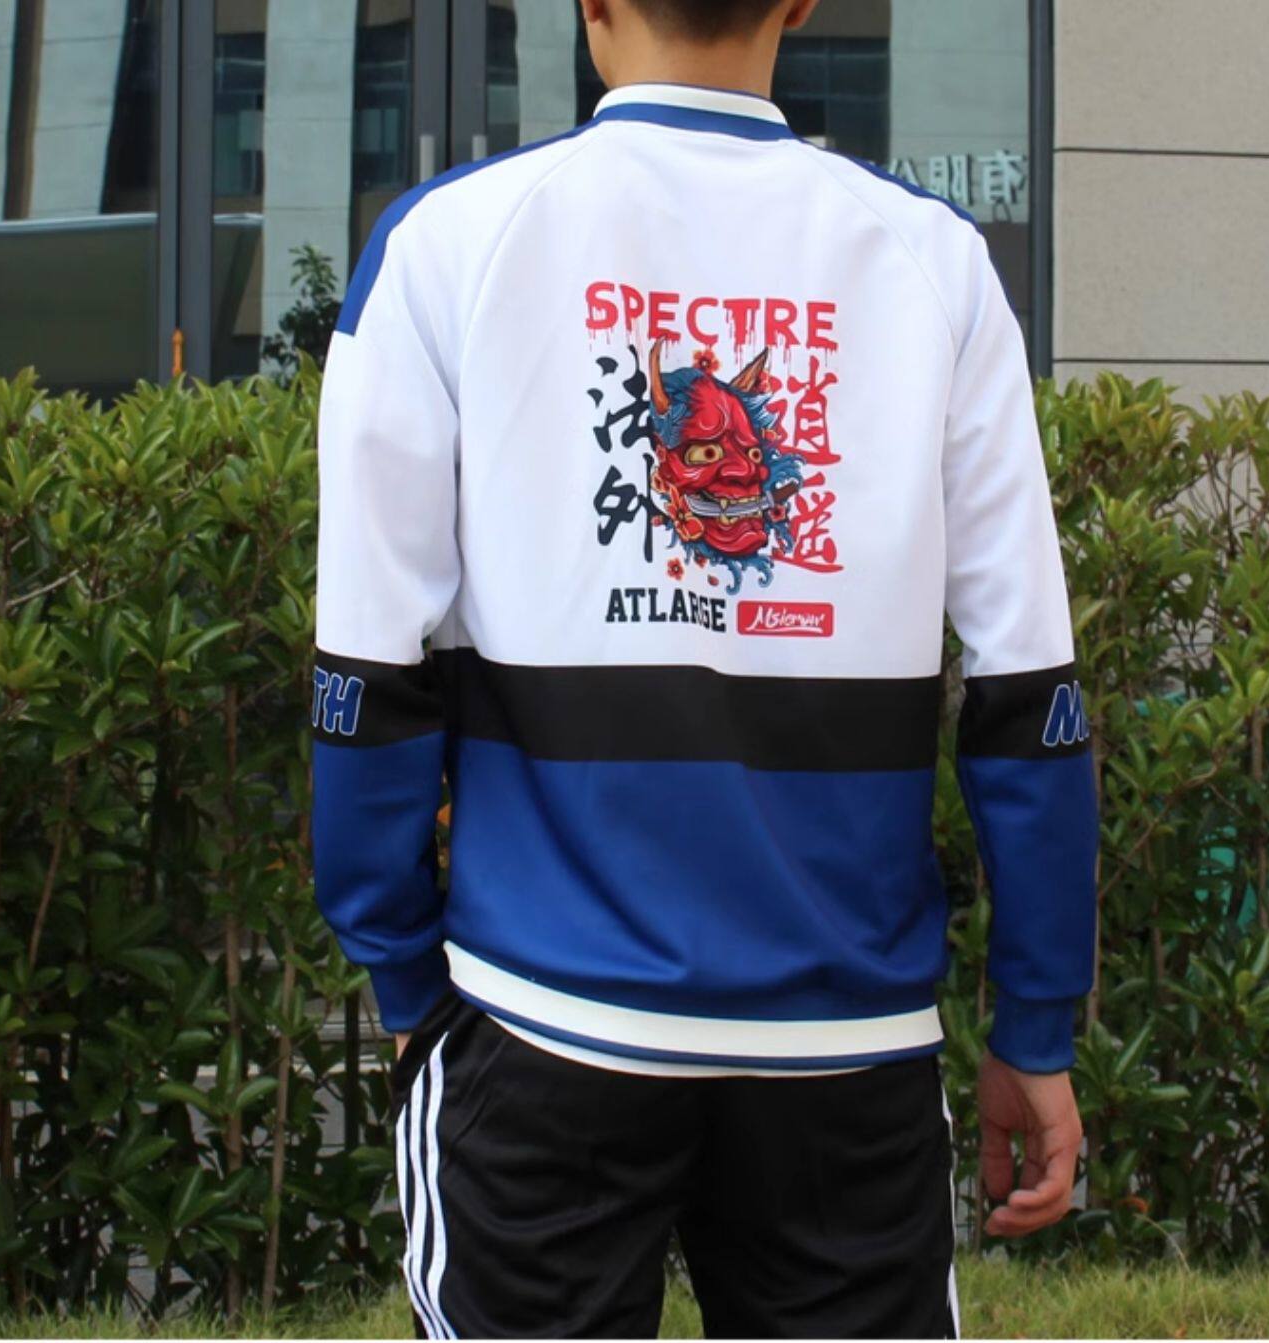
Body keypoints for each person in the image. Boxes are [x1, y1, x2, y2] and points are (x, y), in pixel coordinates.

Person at [309, 0, 1098, 1335]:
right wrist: (1033, 1021)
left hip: (545, 1010)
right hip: (844, 1033)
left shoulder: (445, 244)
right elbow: (1031, 698)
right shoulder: (935, 265)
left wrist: (399, 973)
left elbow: (369, 677)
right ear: (802, 4)